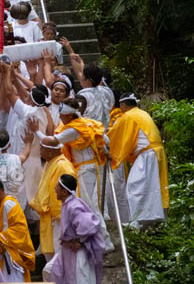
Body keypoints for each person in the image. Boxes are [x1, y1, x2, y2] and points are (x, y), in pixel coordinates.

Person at [41, 97, 113, 251]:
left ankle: (105, 243)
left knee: (89, 206)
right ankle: (99, 241)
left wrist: (35, 132)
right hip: (93, 167)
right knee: (91, 205)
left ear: (68, 115)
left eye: (61, 116)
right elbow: (105, 139)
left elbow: (53, 141)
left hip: (85, 170)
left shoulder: (74, 129)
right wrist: (105, 152)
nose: (60, 118)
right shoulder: (87, 123)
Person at [108, 93, 168, 227]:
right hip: (154, 152)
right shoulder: (142, 113)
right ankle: (150, 219)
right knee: (151, 187)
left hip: (148, 154)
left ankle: (137, 220)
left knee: (135, 186)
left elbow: (115, 134)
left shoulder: (128, 116)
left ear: (123, 105)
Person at [42, 175, 106, 284]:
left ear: (64, 192)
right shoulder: (69, 204)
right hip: (67, 251)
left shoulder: (73, 206)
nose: (55, 188)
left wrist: (80, 241)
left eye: (57, 186)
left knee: (79, 280)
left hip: (77, 254)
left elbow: (90, 224)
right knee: (49, 270)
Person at [30, 140, 77, 263]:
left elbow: (70, 192)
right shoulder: (50, 163)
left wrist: (62, 214)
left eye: (41, 149)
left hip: (60, 218)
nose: (40, 151)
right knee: (51, 254)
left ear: (50, 151)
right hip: (50, 216)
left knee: (60, 254)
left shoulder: (63, 166)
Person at [0, 178, 35, 283]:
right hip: (7, 248)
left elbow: (19, 228)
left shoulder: (8, 204)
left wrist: (0, 238)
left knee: (13, 279)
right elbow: (7, 225)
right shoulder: (4, 203)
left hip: (11, 251)